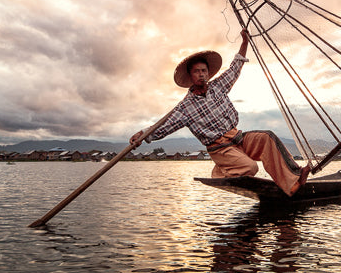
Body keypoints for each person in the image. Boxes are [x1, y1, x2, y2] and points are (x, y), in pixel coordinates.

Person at [130, 29, 310, 196]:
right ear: (191, 77)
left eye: (204, 71)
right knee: (250, 168)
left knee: (267, 137)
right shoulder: (185, 107)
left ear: (208, 73)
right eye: (196, 72)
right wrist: (142, 135)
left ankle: (293, 179)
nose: (201, 74)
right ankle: (220, 171)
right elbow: (162, 127)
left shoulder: (218, 86)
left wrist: (245, 42)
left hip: (238, 138)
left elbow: (235, 68)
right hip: (220, 148)